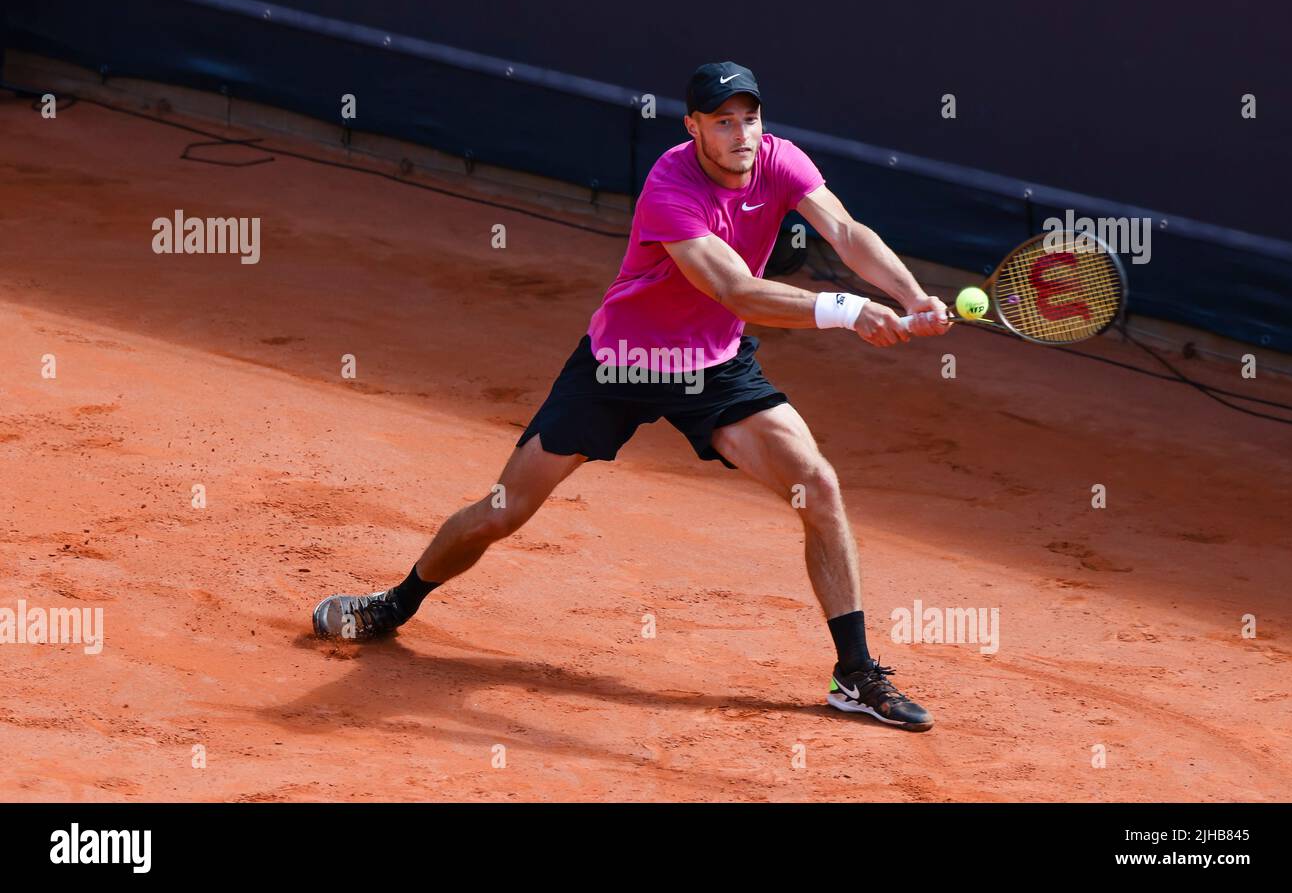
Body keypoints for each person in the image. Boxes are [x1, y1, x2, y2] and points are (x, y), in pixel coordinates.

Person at [313, 61, 951, 731]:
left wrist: (912, 296)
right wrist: (847, 310)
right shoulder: (670, 186)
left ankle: (854, 673)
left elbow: (846, 232)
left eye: (751, 118)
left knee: (816, 485)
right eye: (723, 122)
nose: (742, 134)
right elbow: (734, 290)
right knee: (502, 511)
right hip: (623, 363)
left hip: (714, 367)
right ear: (693, 126)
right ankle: (395, 603)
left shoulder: (779, 160)